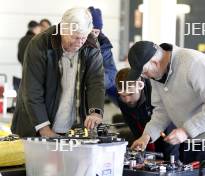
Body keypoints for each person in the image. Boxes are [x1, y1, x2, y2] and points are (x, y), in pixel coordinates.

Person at [128, 41, 205, 163]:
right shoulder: (156, 74)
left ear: (155, 63)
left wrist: (186, 131)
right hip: (194, 134)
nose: (145, 77)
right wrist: (147, 135)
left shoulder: (194, 63)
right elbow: (162, 110)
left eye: (144, 73)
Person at [11, 8, 105, 137]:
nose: (80, 42)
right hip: (38, 126)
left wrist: (95, 111)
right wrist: (45, 130)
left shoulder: (91, 45)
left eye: (83, 38)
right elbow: (32, 91)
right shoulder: (39, 44)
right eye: (75, 37)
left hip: (73, 127)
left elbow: (96, 81)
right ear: (63, 30)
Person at [115, 68, 179, 160]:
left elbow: (167, 122)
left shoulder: (155, 90)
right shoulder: (121, 98)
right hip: (144, 123)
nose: (127, 100)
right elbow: (133, 124)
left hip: (167, 123)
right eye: (123, 95)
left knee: (169, 155)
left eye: (131, 94)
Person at [88, 6, 118, 105]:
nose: (93, 35)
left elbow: (112, 74)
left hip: (99, 85)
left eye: (96, 32)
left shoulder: (104, 44)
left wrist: (96, 80)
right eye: (90, 31)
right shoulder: (76, 42)